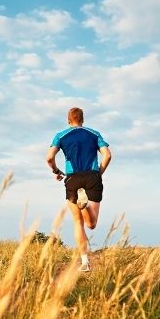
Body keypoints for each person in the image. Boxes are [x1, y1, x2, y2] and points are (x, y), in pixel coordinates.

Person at [46, 107, 112, 272]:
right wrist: (99, 173)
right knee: (92, 224)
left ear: (69, 120)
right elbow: (108, 155)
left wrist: (56, 171)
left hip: (72, 179)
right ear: (82, 119)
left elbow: (49, 157)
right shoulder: (94, 133)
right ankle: (87, 205)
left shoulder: (61, 135)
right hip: (92, 177)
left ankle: (84, 263)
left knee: (78, 223)